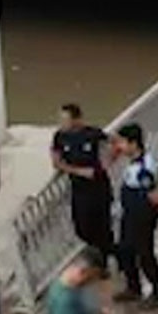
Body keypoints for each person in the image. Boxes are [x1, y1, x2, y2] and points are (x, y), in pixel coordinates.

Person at [112, 123, 158, 309]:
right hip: (130, 214)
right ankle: (133, 287)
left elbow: (151, 193)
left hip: (141, 215)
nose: (119, 147)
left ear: (133, 144)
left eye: (122, 143)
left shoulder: (144, 168)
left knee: (145, 254)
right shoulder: (135, 163)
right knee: (125, 250)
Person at [51, 103, 113, 264]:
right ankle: (95, 255)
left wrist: (105, 162)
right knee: (81, 227)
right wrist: (78, 171)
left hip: (99, 188)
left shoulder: (93, 134)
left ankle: (104, 261)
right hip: (79, 189)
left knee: (103, 227)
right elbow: (57, 162)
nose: (61, 123)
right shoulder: (60, 137)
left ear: (77, 120)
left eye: (65, 120)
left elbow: (113, 144)